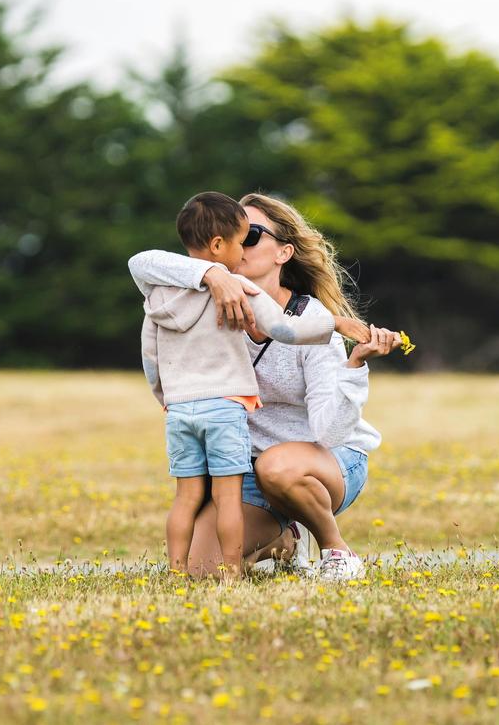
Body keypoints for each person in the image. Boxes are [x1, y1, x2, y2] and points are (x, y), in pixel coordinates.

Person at [128, 192, 402, 581]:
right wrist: (212, 274)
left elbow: (329, 432)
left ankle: (335, 550)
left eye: (251, 234)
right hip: (247, 468)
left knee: (279, 466)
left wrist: (353, 365)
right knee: (201, 571)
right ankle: (284, 542)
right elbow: (141, 264)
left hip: (325, 463)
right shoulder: (207, 301)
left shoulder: (311, 321)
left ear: (283, 253)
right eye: (232, 233)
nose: (240, 244)